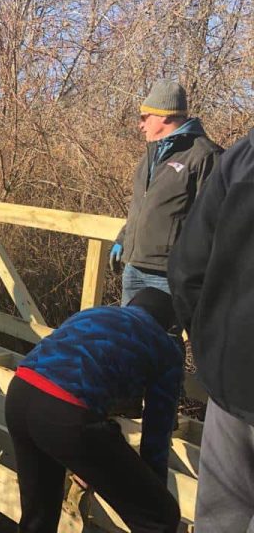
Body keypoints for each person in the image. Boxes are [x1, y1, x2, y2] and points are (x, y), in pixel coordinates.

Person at [4, 288, 183, 533]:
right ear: (170, 326)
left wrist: (89, 463)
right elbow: (156, 436)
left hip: (20, 391)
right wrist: (151, 489)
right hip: (65, 411)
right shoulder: (165, 347)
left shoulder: (94, 314)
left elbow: (85, 372)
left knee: (39, 516)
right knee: (161, 517)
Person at [168, 128, 254, 533]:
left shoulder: (236, 159)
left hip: (229, 376)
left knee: (220, 519)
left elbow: (186, 270)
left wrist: (208, 345)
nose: (140, 123)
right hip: (228, 376)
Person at [109, 80, 221, 305]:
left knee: (163, 339)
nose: (140, 125)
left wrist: (191, 270)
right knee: (130, 335)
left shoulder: (204, 155)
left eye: (144, 117)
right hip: (133, 266)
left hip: (168, 274)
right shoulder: (151, 154)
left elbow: (213, 219)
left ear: (165, 116)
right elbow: (141, 205)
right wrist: (123, 239)